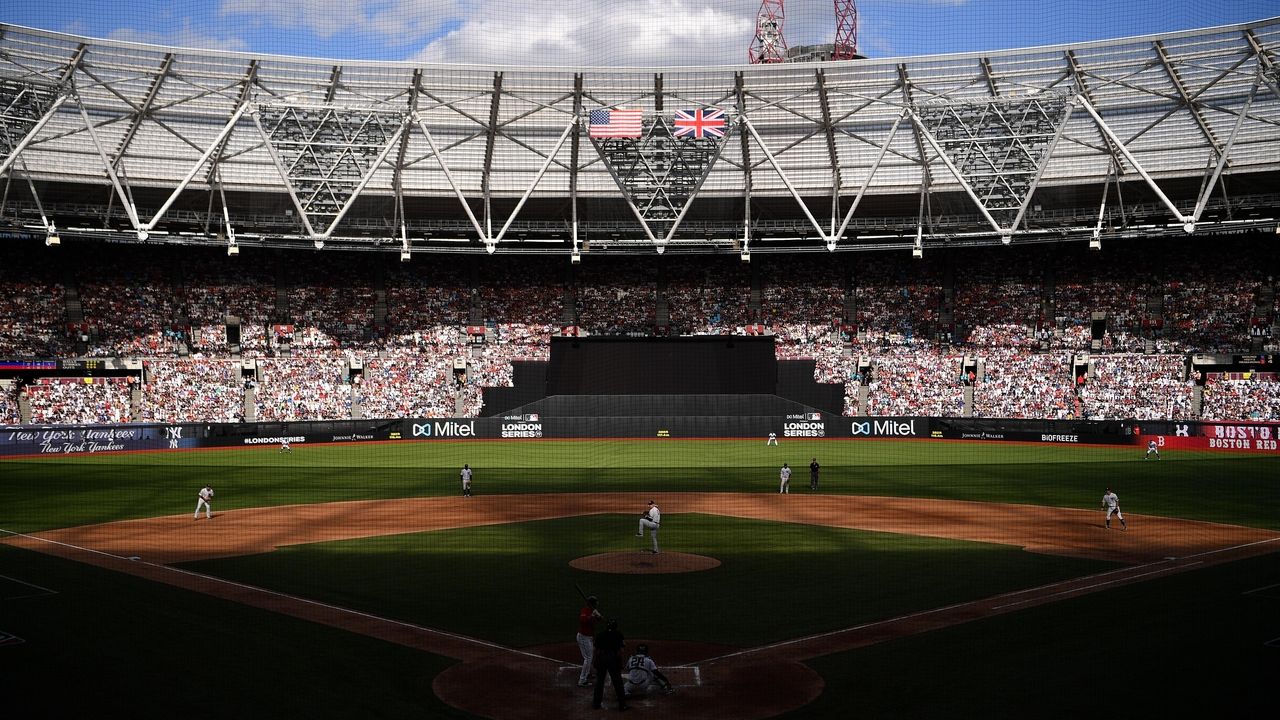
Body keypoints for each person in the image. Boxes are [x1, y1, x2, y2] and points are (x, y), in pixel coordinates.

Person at [592, 619, 628, 711]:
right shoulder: (618, 634)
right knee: (617, 682)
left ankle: (596, 704)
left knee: (599, 681)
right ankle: (622, 705)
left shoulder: (600, 634)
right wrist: (621, 662)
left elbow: (595, 649)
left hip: (601, 658)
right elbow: (621, 650)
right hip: (613, 658)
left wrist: (595, 661)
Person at [576, 595, 602, 687]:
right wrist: (592, 615)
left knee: (589, 656)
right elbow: (583, 621)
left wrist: (598, 615)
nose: (597, 604)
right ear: (592, 604)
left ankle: (588, 673)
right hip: (583, 637)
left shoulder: (593, 611)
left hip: (589, 637)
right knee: (588, 658)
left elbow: (600, 620)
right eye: (596, 603)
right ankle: (582, 680)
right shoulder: (585, 611)